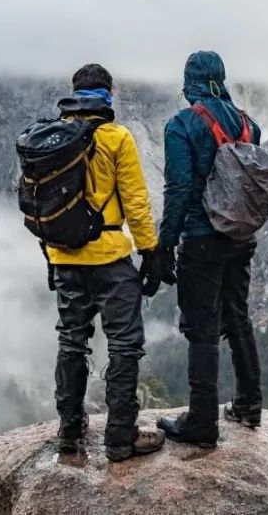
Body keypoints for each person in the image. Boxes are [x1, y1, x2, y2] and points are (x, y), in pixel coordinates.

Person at [47, 63, 167, 462]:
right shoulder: (116, 137)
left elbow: (42, 208)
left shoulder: (51, 139)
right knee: (124, 346)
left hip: (64, 257)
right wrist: (150, 253)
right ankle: (120, 438)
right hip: (111, 258)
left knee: (71, 342)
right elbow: (135, 202)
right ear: (109, 94)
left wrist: (52, 256)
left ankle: (69, 434)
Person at [156, 51, 264, 448]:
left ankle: (202, 423)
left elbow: (179, 190)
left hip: (202, 240)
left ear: (190, 82)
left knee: (201, 328)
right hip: (240, 237)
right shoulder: (249, 125)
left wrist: (163, 245)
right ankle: (249, 405)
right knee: (237, 316)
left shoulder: (183, 125)